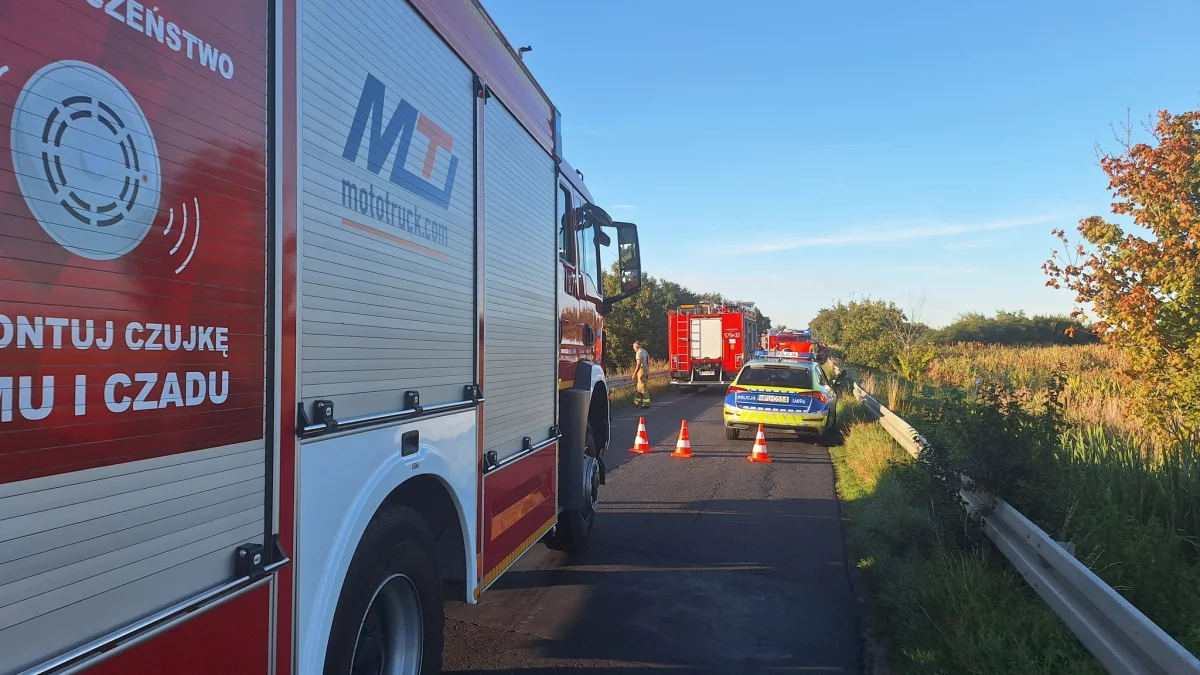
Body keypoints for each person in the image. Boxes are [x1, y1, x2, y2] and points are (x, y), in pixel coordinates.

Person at [632, 340, 651, 409]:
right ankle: (636, 402)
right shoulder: (644, 351)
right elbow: (648, 361)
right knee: (639, 387)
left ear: (636, 347)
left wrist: (634, 374)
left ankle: (646, 403)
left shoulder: (638, 353)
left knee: (642, 388)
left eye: (634, 348)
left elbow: (638, 364)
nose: (634, 349)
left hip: (642, 371)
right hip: (645, 370)